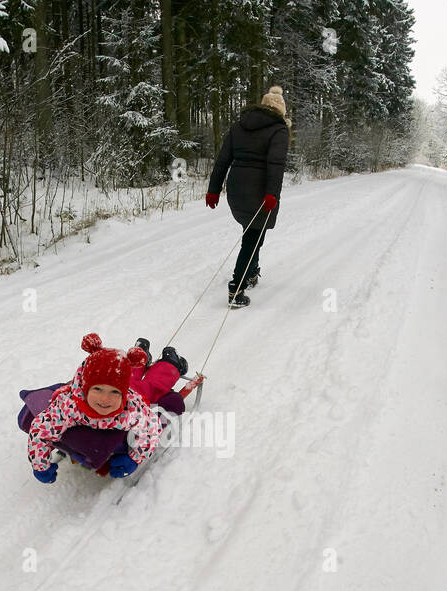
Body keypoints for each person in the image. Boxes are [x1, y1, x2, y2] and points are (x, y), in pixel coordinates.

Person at [27, 333, 188, 484]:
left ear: (123, 394)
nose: (105, 399)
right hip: (121, 383)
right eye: (97, 390)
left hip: (135, 390)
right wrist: (40, 466)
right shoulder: (70, 405)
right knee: (128, 374)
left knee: (152, 385)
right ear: (85, 388)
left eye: (113, 393)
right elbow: (40, 430)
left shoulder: (131, 407)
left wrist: (134, 458)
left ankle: (170, 362)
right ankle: (140, 355)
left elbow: (151, 428)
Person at [206, 85, 291, 307]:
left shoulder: (239, 126)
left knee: (251, 230)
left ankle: (252, 273)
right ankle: (237, 288)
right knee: (252, 238)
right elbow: (276, 164)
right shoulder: (279, 129)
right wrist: (272, 193)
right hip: (260, 190)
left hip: (236, 188)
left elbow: (223, 159)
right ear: (280, 110)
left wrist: (214, 189)